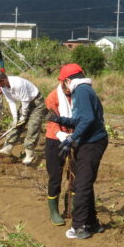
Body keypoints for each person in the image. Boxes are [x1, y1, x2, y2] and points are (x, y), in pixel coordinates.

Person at [47, 64, 109, 239]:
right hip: (94, 141)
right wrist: (59, 120)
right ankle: (92, 223)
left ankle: (80, 226)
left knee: (80, 185)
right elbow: (80, 119)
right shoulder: (86, 90)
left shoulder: (80, 91)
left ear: (67, 80)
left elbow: (87, 119)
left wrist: (72, 139)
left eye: (63, 82)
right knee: (85, 182)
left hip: (91, 143)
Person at [0, 70, 46, 165]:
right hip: (25, 103)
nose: (0, 86)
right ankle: (7, 148)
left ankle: (29, 153)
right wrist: (15, 117)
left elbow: (25, 101)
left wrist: (23, 116)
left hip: (36, 102)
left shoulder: (18, 83)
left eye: (0, 83)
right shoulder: (3, 87)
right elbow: (11, 102)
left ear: (4, 79)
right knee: (15, 125)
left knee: (33, 127)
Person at [44, 64, 76, 226]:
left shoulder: (80, 95)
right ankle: (54, 211)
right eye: (68, 82)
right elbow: (52, 122)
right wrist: (62, 135)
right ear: (63, 82)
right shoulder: (53, 97)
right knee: (55, 176)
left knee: (74, 175)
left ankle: (71, 207)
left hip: (76, 138)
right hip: (55, 140)